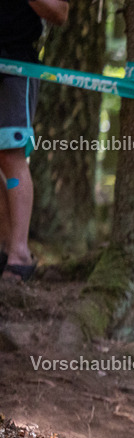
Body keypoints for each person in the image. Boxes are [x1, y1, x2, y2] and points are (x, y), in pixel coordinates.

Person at [0, 0, 69, 282]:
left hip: (16, 62)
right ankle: (5, 249)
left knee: (10, 155)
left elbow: (59, 12)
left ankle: (20, 255)